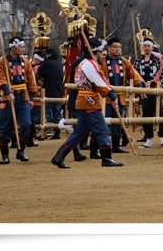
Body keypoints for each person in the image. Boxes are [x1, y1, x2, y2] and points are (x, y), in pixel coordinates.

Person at [51, 36, 123, 168]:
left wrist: (109, 93)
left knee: (80, 132)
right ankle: (106, 157)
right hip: (88, 99)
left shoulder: (85, 63)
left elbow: (99, 82)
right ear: (97, 51)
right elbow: (99, 82)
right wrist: (111, 95)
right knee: (101, 129)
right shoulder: (89, 64)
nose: (103, 54)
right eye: (101, 51)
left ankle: (59, 156)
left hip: (84, 99)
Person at [0, 37, 39, 164]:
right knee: (4, 127)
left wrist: (31, 97)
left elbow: (31, 80)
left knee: (26, 124)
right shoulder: (2, 62)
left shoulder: (26, 62)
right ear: (13, 47)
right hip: (8, 97)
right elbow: (0, 78)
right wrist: (8, 93)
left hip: (23, 97)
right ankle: (5, 155)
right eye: (21, 47)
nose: (23, 49)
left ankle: (21, 151)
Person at [100, 37, 143, 153]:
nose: (117, 49)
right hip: (105, 97)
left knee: (118, 123)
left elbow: (135, 75)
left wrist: (139, 85)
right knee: (104, 122)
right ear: (108, 48)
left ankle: (116, 146)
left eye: (119, 47)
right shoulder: (102, 61)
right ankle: (103, 146)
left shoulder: (124, 62)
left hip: (120, 97)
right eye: (114, 47)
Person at [132, 38, 163, 148]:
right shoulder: (138, 62)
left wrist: (153, 83)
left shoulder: (158, 61)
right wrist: (142, 86)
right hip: (143, 92)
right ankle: (148, 139)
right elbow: (135, 75)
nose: (147, 48)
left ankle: (162, 138)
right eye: (145, 46)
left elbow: (162, 74)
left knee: (160, 113)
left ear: (152, 47)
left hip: (155, 91)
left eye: (149, 46)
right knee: (146, 114)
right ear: (142, 48)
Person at [37, 47, 65, 140]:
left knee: (47, 112)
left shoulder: (47, 63)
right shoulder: (59, 63)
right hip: (59, 91)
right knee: (57, 113)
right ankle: (57, 131)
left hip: (48, 91)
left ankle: (46, 131)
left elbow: (39, 72)